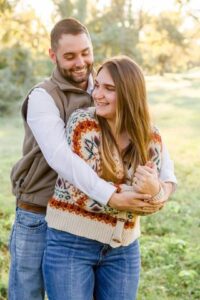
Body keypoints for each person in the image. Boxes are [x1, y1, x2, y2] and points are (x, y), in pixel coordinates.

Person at [8, 18, 175, 300]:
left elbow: (153, 148)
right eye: (69, 56)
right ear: (53, 56)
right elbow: (61, 158)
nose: (80, 62)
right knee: (28, 292)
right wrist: (113, 196)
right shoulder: (43, 96)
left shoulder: (105, 87)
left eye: (85, 52)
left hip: (95, 218)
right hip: (39, 209)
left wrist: (160, 188)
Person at [43, 56, 177, 300]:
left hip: (123, 249)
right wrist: (140, 195)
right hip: (72, 244)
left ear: (129, 93)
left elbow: (150, 205)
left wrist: (155, 190)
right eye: (98, 85)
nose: (97, 94)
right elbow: (83, 194)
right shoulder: (84, 124)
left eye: (109, 89)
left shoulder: (150, 137)